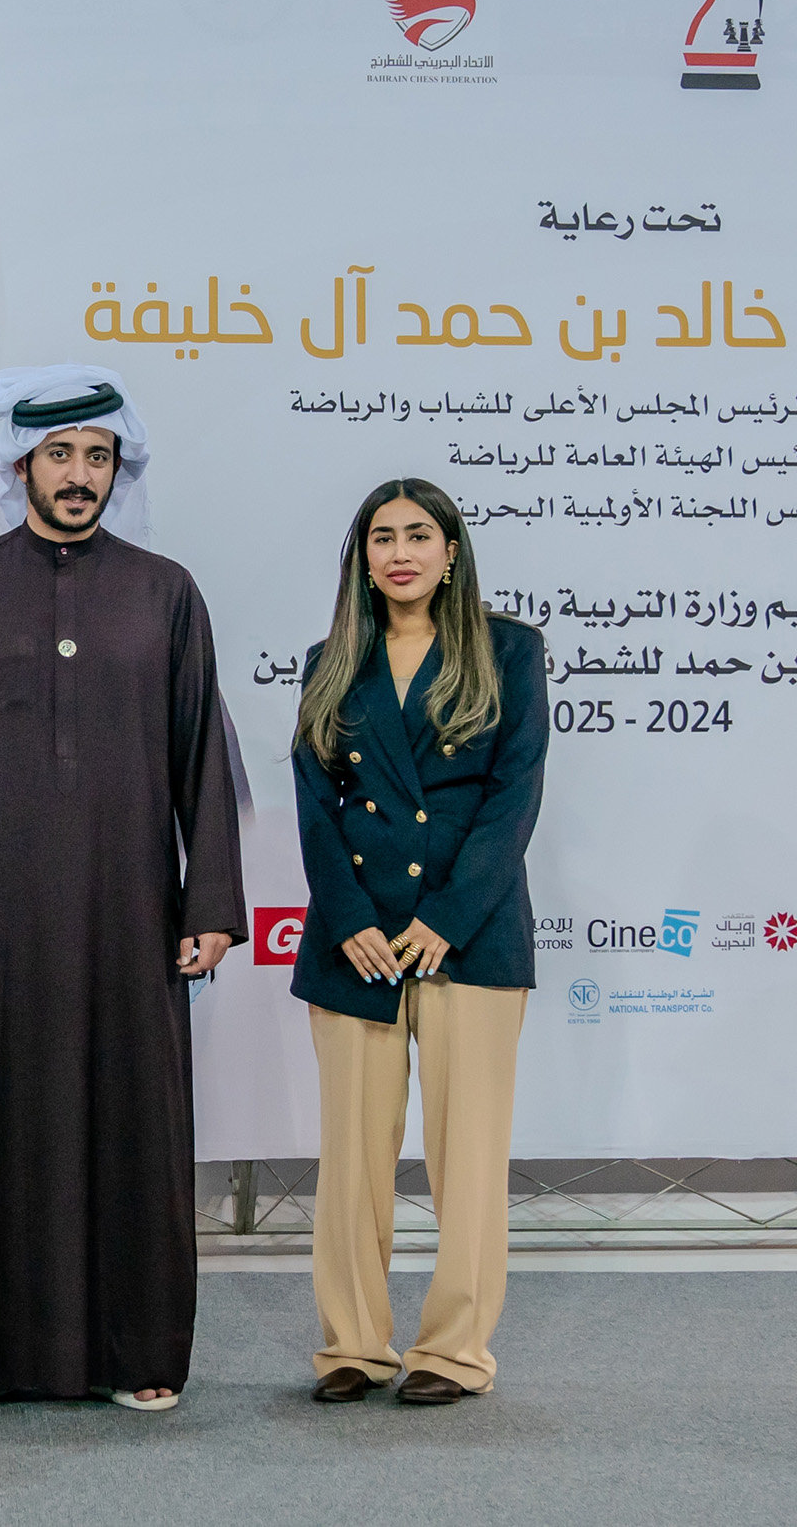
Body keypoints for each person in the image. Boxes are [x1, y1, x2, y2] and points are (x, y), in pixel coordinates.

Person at [0, 367, 248, 1414]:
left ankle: (139, 1349)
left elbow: (201, 758)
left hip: (129, 914)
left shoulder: (164, 593)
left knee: (134, 1123)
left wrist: (211, 903)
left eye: (97, 457)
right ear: (21, 465)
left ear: (118, 470)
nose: (79, 475)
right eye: (60, 455)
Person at [290, 478, 547, 1408]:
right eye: (382, 537)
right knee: (351, 1159)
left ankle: (454, 1352)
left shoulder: (510, 650)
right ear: (362, 558)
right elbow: (315, 802)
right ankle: (353, 1345)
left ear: (450, 552)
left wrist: (447, 917)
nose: (399, 552)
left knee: (468, 1158)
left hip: (468, 937)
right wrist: (351, 918)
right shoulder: (330, 660)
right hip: (354, 940)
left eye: (418, 535)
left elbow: (514, 796)